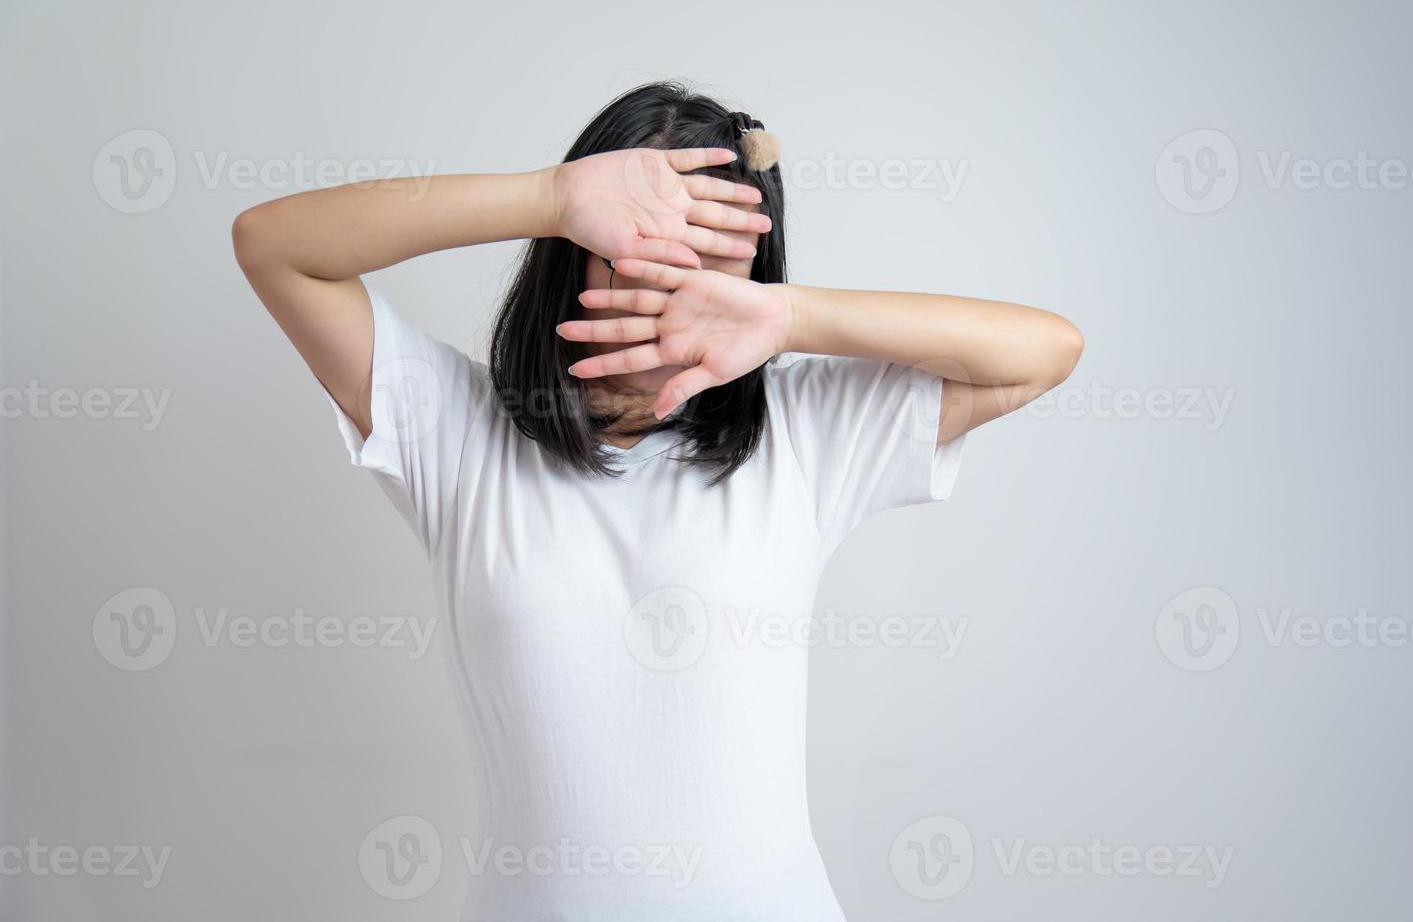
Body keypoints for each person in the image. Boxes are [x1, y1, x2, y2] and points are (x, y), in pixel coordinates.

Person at [231, 82, 1083, 920]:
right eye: (645, 253)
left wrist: (789, 319)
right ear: (573, 253)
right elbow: (273, 244)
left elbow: (1044, 350)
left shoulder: (809, 430)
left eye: (713, 266)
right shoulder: (454, 426)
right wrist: (547, 194)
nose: (676, 295)